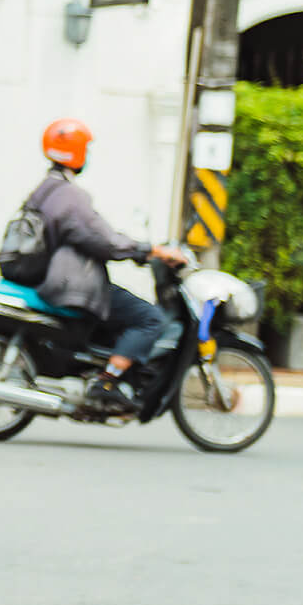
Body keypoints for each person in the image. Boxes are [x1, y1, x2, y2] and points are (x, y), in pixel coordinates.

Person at [28, 118, 187, 413]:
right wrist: (150, 250)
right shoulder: (69, 196)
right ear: (73, 152)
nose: (87, 155)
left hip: (63, 279)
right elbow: (106, 241)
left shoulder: (47, 189)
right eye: (84, 149)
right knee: (149, 318)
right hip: (75, 285)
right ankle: (108, 381)